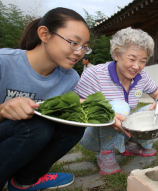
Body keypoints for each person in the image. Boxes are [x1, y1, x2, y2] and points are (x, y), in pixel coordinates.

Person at [0, 7, 91, 190]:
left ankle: (24, 181)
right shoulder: (4, 62)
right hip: (12, 131)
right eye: (73, 42)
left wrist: (104, 112)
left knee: (73, 125)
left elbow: (63, 110)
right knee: (36, 127)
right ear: (44, 34)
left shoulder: (70, 77)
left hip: (24, 135)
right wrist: (3, 109)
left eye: (84, 46)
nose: (80, 52)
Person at [73, 27, 158, 175]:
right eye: (131, 59)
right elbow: (76, 106)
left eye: (142, 61)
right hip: (92, 134)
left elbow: (157, 93)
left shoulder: (142, 77)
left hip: (122, 129)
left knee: (153, 108)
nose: (136, 66)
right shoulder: (95, 74)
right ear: (117, 54)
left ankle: (130, 145)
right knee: (120, 106)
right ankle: (106, 153)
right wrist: (106, 114)